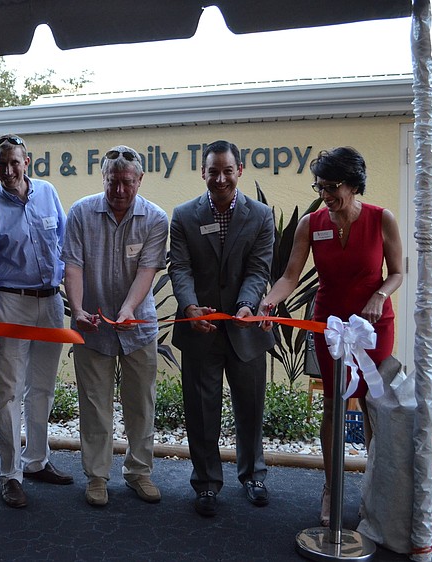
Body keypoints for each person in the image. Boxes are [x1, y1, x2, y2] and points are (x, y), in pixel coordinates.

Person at [259, 146, 402, 526]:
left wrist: (379, 296)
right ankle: (331, 487)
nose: (325, 194)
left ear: (353, 184)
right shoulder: (311, 223)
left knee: (372, 405)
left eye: (332, 186)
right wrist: (269, 303)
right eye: (320, 186)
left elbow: (396, 272)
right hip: (330, 327)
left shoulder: (381, 219)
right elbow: (290, 276)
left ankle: (376, 489)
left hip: (372, 327)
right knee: (333, 405)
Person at [168, 140, 275, 518]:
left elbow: (259, 269)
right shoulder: (184, 216)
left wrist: (246, 305)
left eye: (228, 170)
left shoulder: (261, 215)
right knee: (201, 411)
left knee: (251, 408)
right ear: (203, 172)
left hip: (246, 329)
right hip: (200, 329)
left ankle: (253, 475)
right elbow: (180, 268)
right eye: (213, 171)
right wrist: (189, 306)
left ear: (239, 171)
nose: (221, 178)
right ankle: (206, 482)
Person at [0, 133, 73, 508]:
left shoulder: (48, 192)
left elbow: (65, 244)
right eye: (2, 164)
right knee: (9, 391)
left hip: (51, 303)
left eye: (15, 162)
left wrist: (77, 298)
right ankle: (11, 474)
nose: (9, 170)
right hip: (11, 303)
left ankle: (37, 461)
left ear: (27, 162)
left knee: (42, 388)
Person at [62, 145, 168, 507]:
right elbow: (73, 266)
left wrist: (127, 309)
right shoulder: (80, 213)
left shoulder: (155, 218)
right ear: (103, 178)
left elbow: (147, 271)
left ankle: (139, 472)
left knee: (141, 404)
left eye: (127, 182)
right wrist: (78, 309)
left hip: (138, 327)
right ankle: (97, 476)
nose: (119, 190)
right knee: (94, 405)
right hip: (91, 327)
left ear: (140, 180)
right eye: (113, 181)